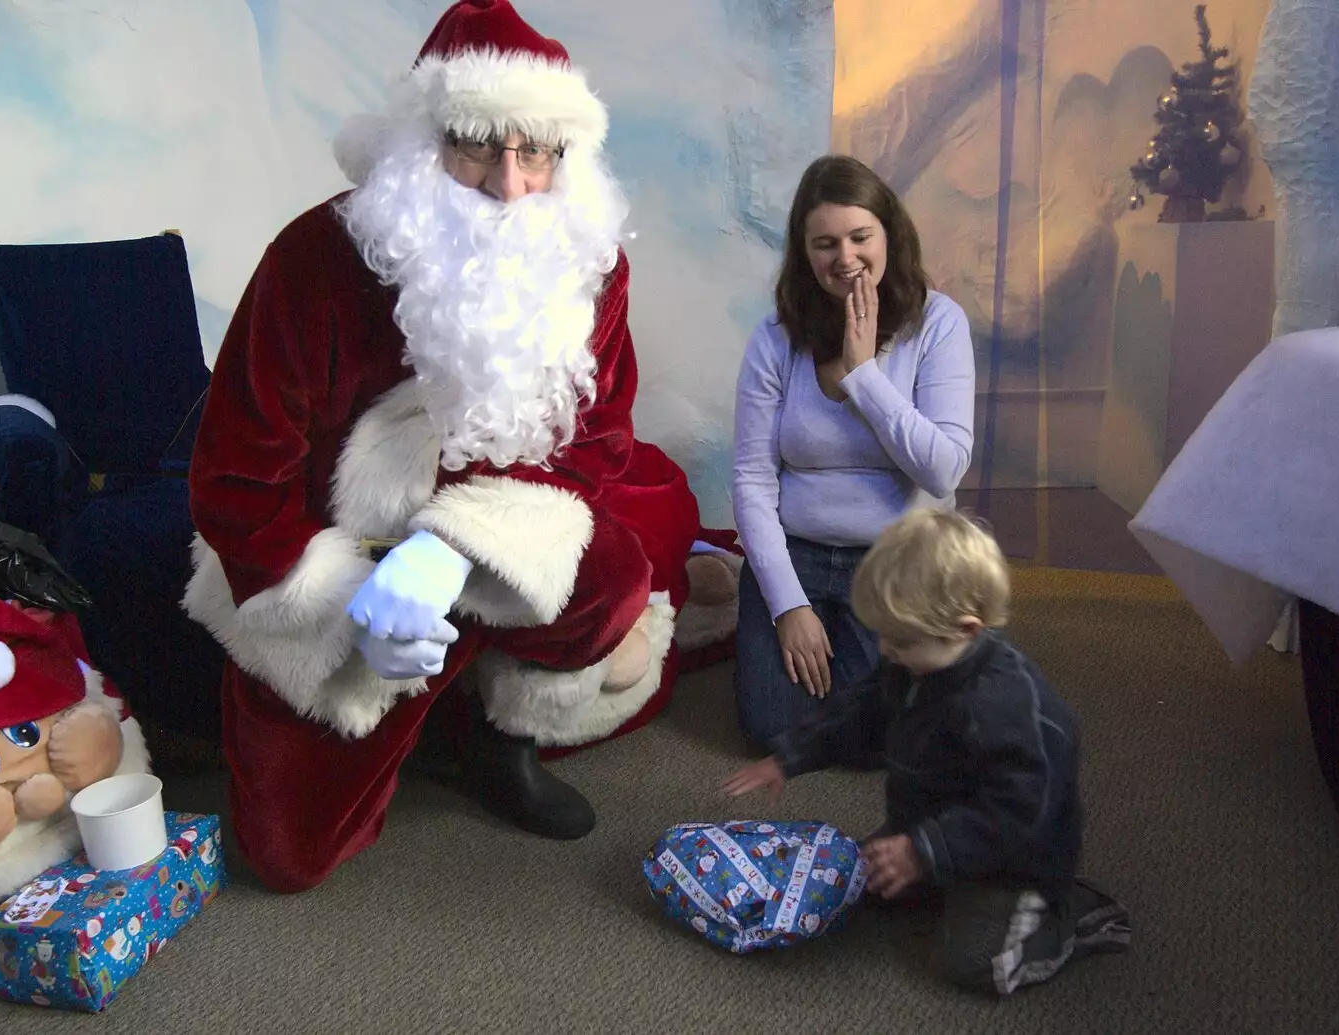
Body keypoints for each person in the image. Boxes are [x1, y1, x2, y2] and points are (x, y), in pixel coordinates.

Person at [183, 0, 737, 893]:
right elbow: (237, 475)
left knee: (612, 574)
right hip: (346, 565)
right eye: (478, 141)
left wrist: (455, 550)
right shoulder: (314, 258)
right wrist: (342, 595)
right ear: (420, 141)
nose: (510, 182)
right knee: (286, 854)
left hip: (483, 553)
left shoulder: (589, 259)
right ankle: (423, 709)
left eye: (538, 150)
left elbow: (596, 439)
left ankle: (494, 736)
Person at [722, 508, 1130, 995]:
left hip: (1011, 858)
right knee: (862, 879)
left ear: (966, 630)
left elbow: (1018, 812)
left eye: (900, 640)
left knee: (975, 964)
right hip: (928, 818)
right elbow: (860, 714)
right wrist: (791, 755)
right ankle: (933, 866)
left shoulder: (1005, 705)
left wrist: (928, 850)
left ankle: (1063, 916)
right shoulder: (912, 661)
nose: (886, 651)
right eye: (883, 636)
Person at [731, 154, 977, 751]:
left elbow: (943, 469)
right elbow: (752, 479)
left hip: (896, 561)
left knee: (877, 741)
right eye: (824, 244)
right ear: (803, 252)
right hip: (800, 553)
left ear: (888, 232)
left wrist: (865, 375)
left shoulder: (939, 323)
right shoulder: (775, 336)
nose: (845, 258)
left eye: (860, 236)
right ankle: (802, 633)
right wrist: (789, 607)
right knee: (771, 729)